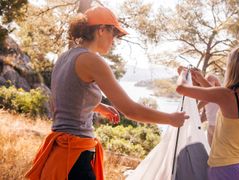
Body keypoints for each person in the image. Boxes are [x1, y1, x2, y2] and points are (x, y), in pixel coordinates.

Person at [25, 6, 188, 180]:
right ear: (101, 30)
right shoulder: (93, 61)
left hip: (58, 154)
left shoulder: (64, 57)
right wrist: (170, 119)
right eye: (114, 34)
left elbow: (68, 97)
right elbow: (130, 110)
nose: (114, 41)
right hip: (74, 159)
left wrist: (99, 107)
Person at [176, 44, 239, 180]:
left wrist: (184, 74)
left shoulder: (227, 96)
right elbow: (219, 99)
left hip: (225, 169)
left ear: (234, 67)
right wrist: (200, 79)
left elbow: (181, 88)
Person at [191, 69, 220, 146]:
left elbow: (210, 96)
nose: (191, 83)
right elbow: (205, 115)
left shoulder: (209, 77)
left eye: (192, 79)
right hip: (211, 125)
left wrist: (195, 109)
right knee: (210, 154)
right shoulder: (201, 92)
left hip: (221, 125)